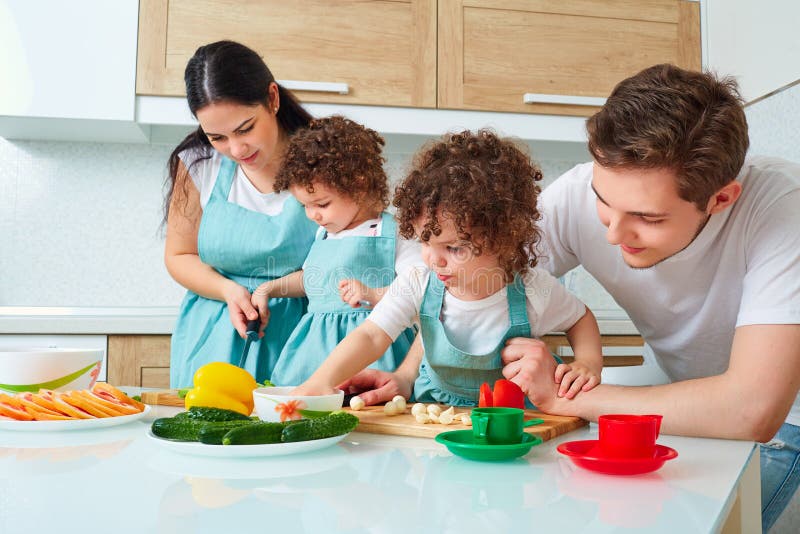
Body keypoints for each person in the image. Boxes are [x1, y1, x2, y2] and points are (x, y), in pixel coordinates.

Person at [499, 64, 800, 533]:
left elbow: (752, 410)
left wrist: (568, 399)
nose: (614, 232)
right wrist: (403, 369)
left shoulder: (782, 207)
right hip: (674, 404)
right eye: (604, 201)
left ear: (721, 199)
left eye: (647, 218)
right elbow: (473, 285)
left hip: (785, 424)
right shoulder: (581, 192)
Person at [293, 130, 604, 405]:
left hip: (510, 418)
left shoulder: (533, 288)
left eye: (454, 248)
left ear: (504, 239)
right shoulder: (418, 281)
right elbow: (372, 335)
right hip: (435, 409)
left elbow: (580, 318)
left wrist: (588, 362)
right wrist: (321, 382)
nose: (434, 259)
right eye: (425, 242)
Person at [163, 41, 318, 386]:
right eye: (217, 136)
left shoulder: (324, 161)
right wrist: (228, 291)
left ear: (272, 99)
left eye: (245, 128)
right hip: (215, 335)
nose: (236, 149)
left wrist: (275, 289)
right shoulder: (198, 164)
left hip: (304, 336)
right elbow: (179, 254)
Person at [250, 116, 422, 386]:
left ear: (359, 185)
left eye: (321, 203)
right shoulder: (324, 234)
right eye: (305, 206)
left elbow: (419, 289)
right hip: (313, 357)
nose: (312, 215)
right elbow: (311, 279)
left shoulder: (393, 231)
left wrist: (375, 295)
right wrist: (269, 289)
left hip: (374, 353)